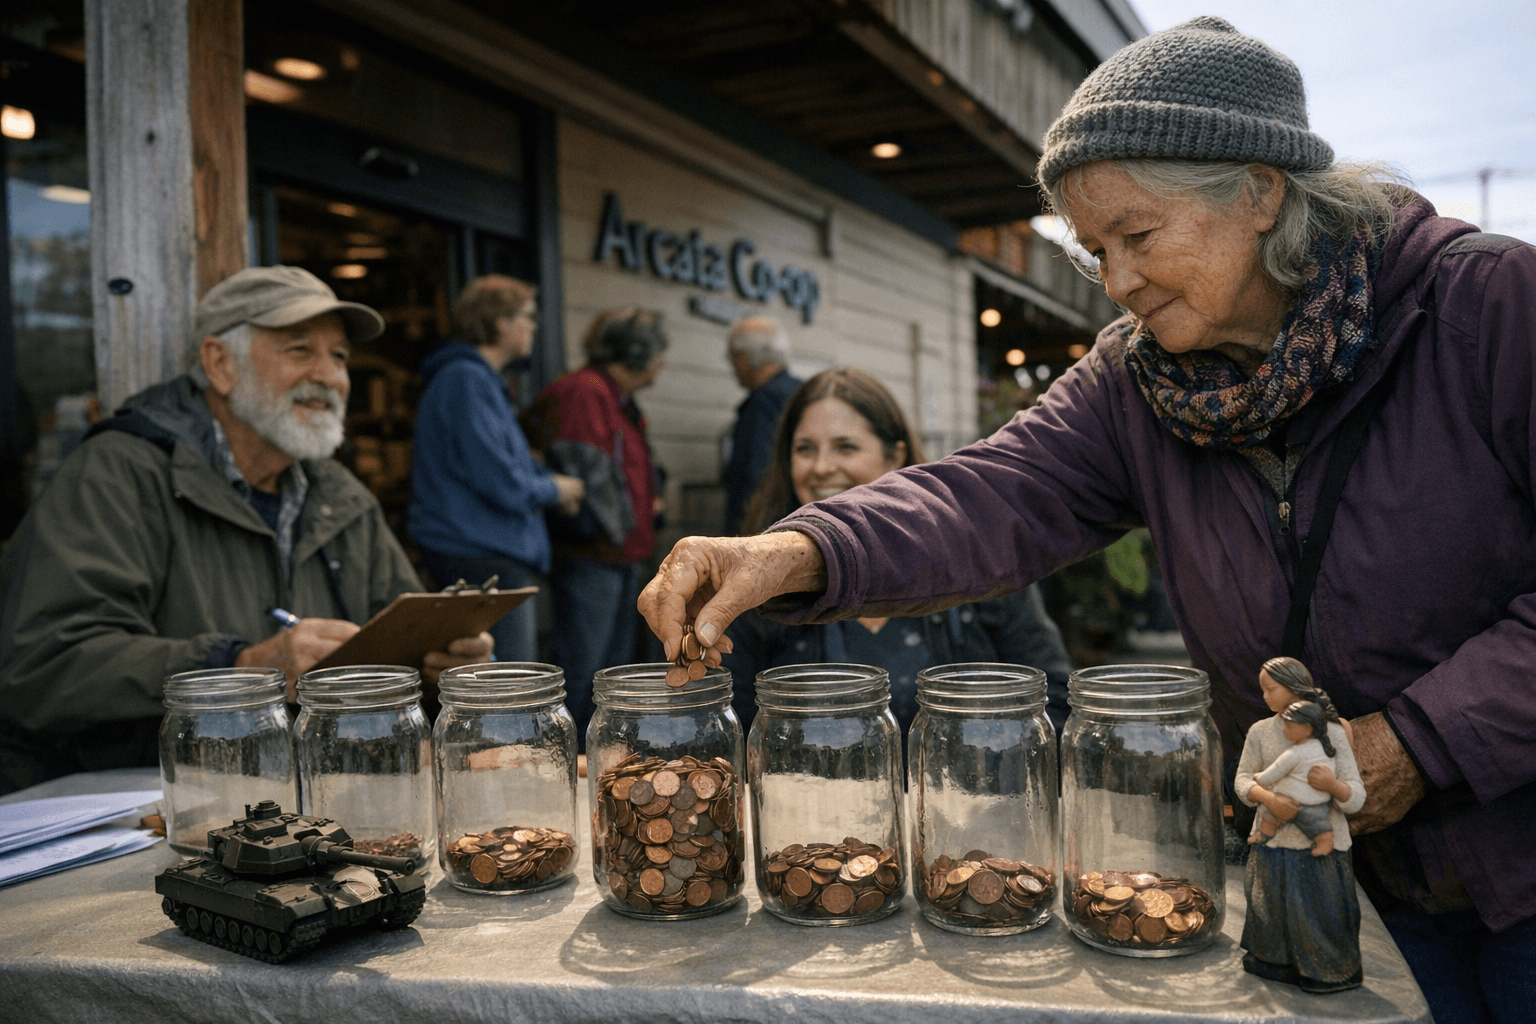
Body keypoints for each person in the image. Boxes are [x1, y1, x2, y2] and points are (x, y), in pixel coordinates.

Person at [638, 17, 1536, 1021]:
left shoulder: (1489, 308)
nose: (1114, 281)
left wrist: (1418, 741)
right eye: (1094, 249)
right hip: (1331, 869)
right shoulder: (1137, 380)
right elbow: (991, 492)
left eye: (1137, 237)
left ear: (1261, 189)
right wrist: (797, 546)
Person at [0, 266, 493, 793]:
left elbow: (397, 642)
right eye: (301, 350)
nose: (331, 376)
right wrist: (238, 667)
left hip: (315, 806)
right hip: (145, 810)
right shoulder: (119, 472)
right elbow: (40, 664)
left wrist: (446, 669)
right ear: (219, 363)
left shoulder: (339, 494)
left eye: (340, 356)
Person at [724, 367, 1071, 734]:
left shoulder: (979, 564)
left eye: (846, 447)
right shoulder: (759, 585)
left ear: (895, 457)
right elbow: (732, 726)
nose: (822, 468)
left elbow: (1053, 703)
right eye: (805, 449)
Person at [408, 275, 584, 662]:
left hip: (485, 553)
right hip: (480, 557)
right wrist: (556, 490)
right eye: (528, 316)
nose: (533, 326)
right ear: (501, 322)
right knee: (507, 693)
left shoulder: (474, 379)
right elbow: (500, 480)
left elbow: (493, 466)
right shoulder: (466, 379)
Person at [524, 308, 666, 742]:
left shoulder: (616, 397)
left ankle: (605, 755)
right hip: (593, 557)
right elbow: (587, 471)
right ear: (635, 352)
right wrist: (622, 530)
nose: (661, 362)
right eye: (657, 351)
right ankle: (575, 756)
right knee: (585, 670)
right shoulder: (585, 392)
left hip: (617, 557)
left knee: (612, 671)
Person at [1237, 657, 1365, 992]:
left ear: (1295, 686)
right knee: (1269, 905)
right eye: (1262, 689)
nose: (1265, 696)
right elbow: (1241, 781)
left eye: (1271, 688)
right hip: (1273, 843)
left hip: (1323, 848)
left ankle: (1327, 970)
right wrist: (1268, 799)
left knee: (1321, 912)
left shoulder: (1334, 734)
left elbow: (1356, 797)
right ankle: (1274, 959)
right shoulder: (1260, 732)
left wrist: (1333, 787)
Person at [722, 317, 800, 535]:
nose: (732, 366)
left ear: (744, 357)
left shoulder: (764, 402)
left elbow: (757, 476)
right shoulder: (801, 391)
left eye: (732, 356)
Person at [1250, 701, 1343, 857]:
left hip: (1296, 803)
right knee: (1318, 825)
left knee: (1317, 827)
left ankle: (1325, 842)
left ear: (1307, 728)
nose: (1284, 730)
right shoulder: (1325, 748)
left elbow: (1276, 771)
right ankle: (1266, 832)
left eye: (1289, 726)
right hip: (1316, 802)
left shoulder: (1295, 752)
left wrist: (1260, 778)